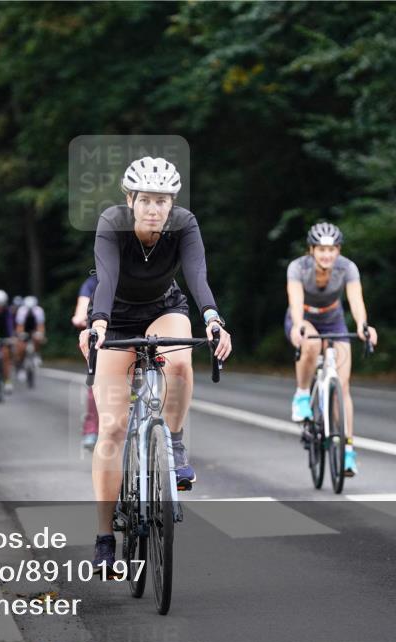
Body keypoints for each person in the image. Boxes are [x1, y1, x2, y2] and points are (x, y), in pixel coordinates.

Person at [78, 156, 232, 568]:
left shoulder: (185, 224)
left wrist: (214, 319)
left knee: (180, 362)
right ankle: (105, 535)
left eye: (163, 201)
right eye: (146, 199)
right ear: (130, 200)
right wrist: (97, 324)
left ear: (172, 203)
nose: (154, 209)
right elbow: (106, 279)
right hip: (115, 316)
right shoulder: (112, 223)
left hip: (164, 307)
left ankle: (175, 446)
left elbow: (197, 275)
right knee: (111, 426)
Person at [286, 221, 379, 477]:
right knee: (312, 343)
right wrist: (297, 326)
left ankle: (348, 450)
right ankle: (302, 394)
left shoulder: (347, 268)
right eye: (321, 249)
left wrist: (363, 326)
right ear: (311, 250)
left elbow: (356, 301)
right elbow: (295, 301)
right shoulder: (298, 268)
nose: (327, 255)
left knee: (343, 387)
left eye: (332, 249)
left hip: (333, 319)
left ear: (338, 251)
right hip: (304, 317)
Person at [72, 274, 99, 449]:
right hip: (102, 337)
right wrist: (80, 318)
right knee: (96, 384)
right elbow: (80, 313)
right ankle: (91, 430)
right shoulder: (92, 283)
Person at [14, 295, 46, 381]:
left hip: (33, 328)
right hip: (24, 328)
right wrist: (20, 335)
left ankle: (36, 354)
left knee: (38, 338)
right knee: (21, 347)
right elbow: (19, 326)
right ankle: (20, 367)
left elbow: (40, 325)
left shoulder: (39, 311)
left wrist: (41, 334)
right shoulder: (22, 311)